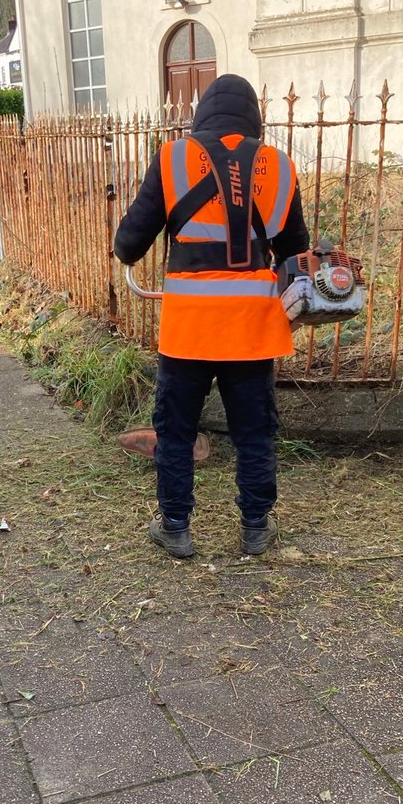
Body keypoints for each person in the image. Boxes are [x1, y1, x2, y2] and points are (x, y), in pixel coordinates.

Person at [112, 73, 311, 559]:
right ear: (253, 118)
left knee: (176, 429)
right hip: (251, 328)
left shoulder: (173, 157)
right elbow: (295, 250)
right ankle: (256, 527)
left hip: (190, 328)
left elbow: (129, 242)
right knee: (254, 430)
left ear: (202, 114)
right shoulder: (278, 165)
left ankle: (176, 526)